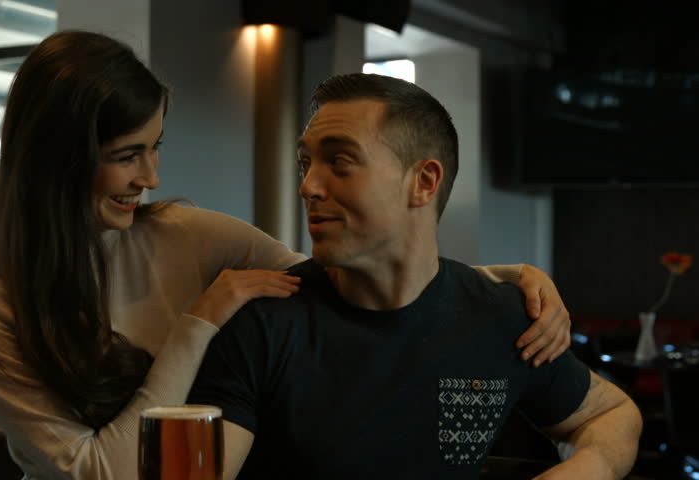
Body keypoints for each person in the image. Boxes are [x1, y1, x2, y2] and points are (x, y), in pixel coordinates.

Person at [0, 31, 572, 479]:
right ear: (57, 162)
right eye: (128, 156)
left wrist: (506, 282)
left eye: (156, 148)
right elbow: (100, 473)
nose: (152, 177)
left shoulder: (189, 235)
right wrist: (198, 325)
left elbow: (358, 271)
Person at [187, 73, 642, 480]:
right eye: (306, 164)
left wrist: (587, 468)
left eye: (340, 161)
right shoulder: (264, 323)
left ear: (424, 182)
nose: (308, 186)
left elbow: (612, 414)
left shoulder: (503, 318)